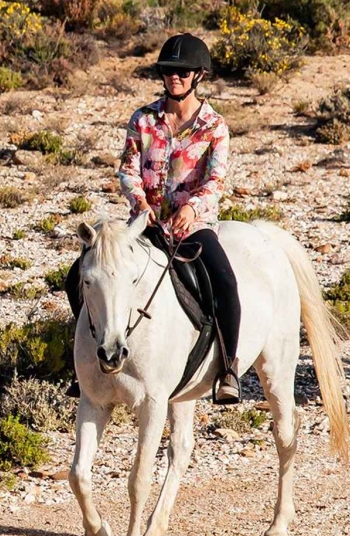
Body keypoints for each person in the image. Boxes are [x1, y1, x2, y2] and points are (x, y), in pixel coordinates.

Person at [64, 33, 241, 404]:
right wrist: (140, 204)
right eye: (168, 71)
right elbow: (128, 169)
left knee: (224, 284)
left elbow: (216, 179)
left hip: (193, 226)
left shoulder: (215, 126)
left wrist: (191, 208)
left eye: (182, 71)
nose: (173, 77)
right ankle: (82, 366)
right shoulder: (142, 119)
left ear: (199, 76)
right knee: (78, 277)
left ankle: (227, 369)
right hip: (143, 228)